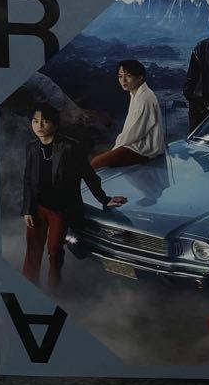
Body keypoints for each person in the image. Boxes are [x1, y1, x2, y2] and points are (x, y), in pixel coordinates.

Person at [21, 103, 126, 286]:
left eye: (45, 121)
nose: (39, 126)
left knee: (54, 251)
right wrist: (27, 209)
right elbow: (28, 179)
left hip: (60, 209)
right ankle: (28, 287)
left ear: (55, 123)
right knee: (32, 251)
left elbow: (89, 175)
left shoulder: (70, 147)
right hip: (37, 208)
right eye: (35, 121)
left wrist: (104, 199)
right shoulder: (31, 147)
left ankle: (54, 287)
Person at [91, 60, 166, 169]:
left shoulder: (144, 99)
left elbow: (135, 132)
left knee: (95, 163)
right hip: (137, 144)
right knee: (99, 160)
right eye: (120, 76)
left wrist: (116, 148)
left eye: (128, 76)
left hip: (144, 149)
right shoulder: (136, 93)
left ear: (140, 77)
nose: (123, 80)